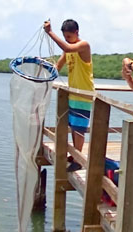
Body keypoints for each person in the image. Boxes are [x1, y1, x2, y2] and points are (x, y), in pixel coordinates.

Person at [44, 19, 95, 171]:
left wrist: (50, 33)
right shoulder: (68, 51)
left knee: (79, 128)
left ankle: (79, 160)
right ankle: (75, 154)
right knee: (73, 125)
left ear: (76, 33)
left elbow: (67, 47)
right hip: (73, 93)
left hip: (84, 94)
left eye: (69, 36)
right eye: (65, 37)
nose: (67, 40)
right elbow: (57, 66)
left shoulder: (83, 45)